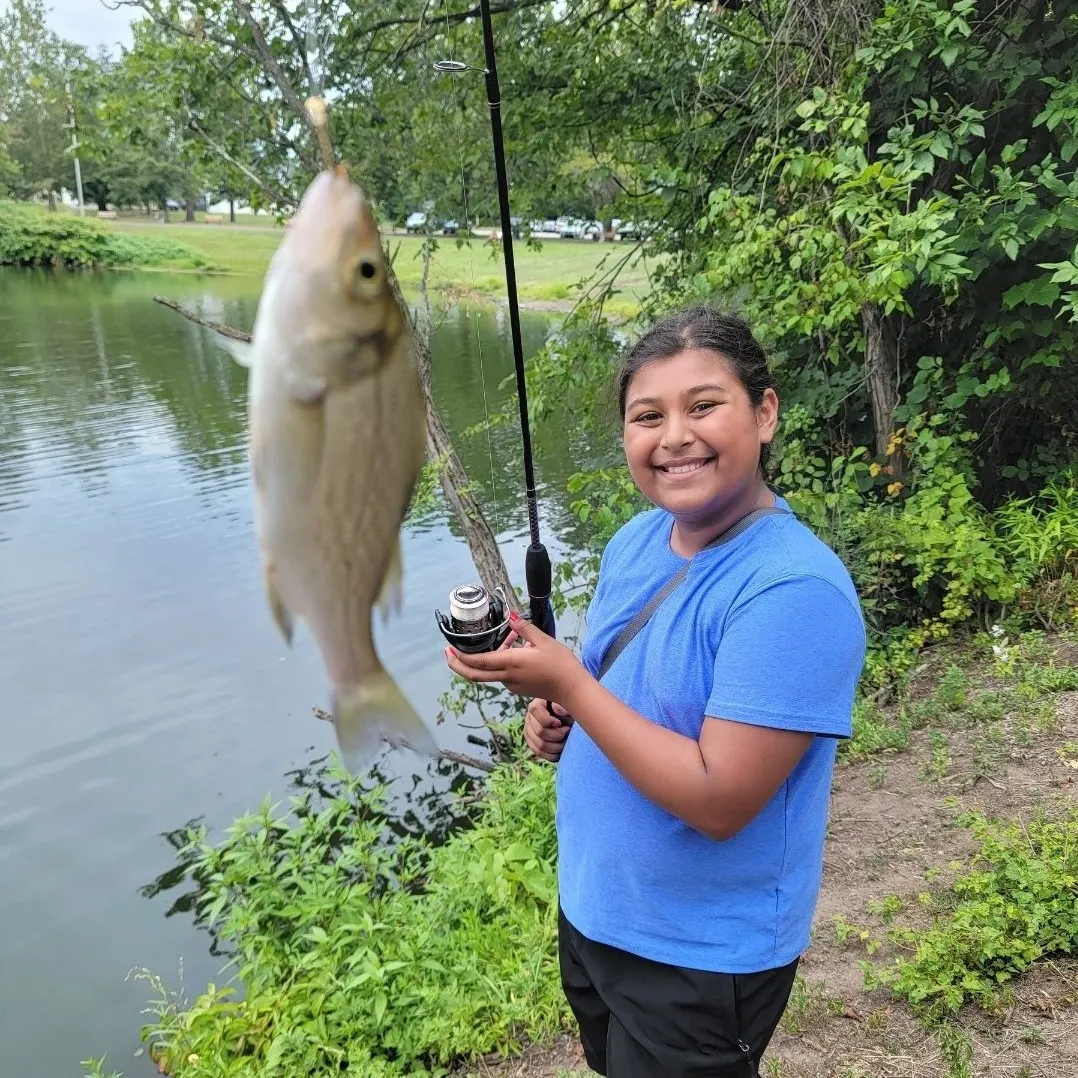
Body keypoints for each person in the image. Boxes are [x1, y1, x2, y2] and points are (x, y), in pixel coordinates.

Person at [444, 306, 867, 1077]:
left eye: (703, 406)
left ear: (765, 413)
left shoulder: (794, 591)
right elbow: (616, 693)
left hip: (698, 957)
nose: (674, 436)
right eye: (648, 416)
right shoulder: (635, 541)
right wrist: (557, 712)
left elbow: (719, 801)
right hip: (597, 909)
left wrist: (571, 683)